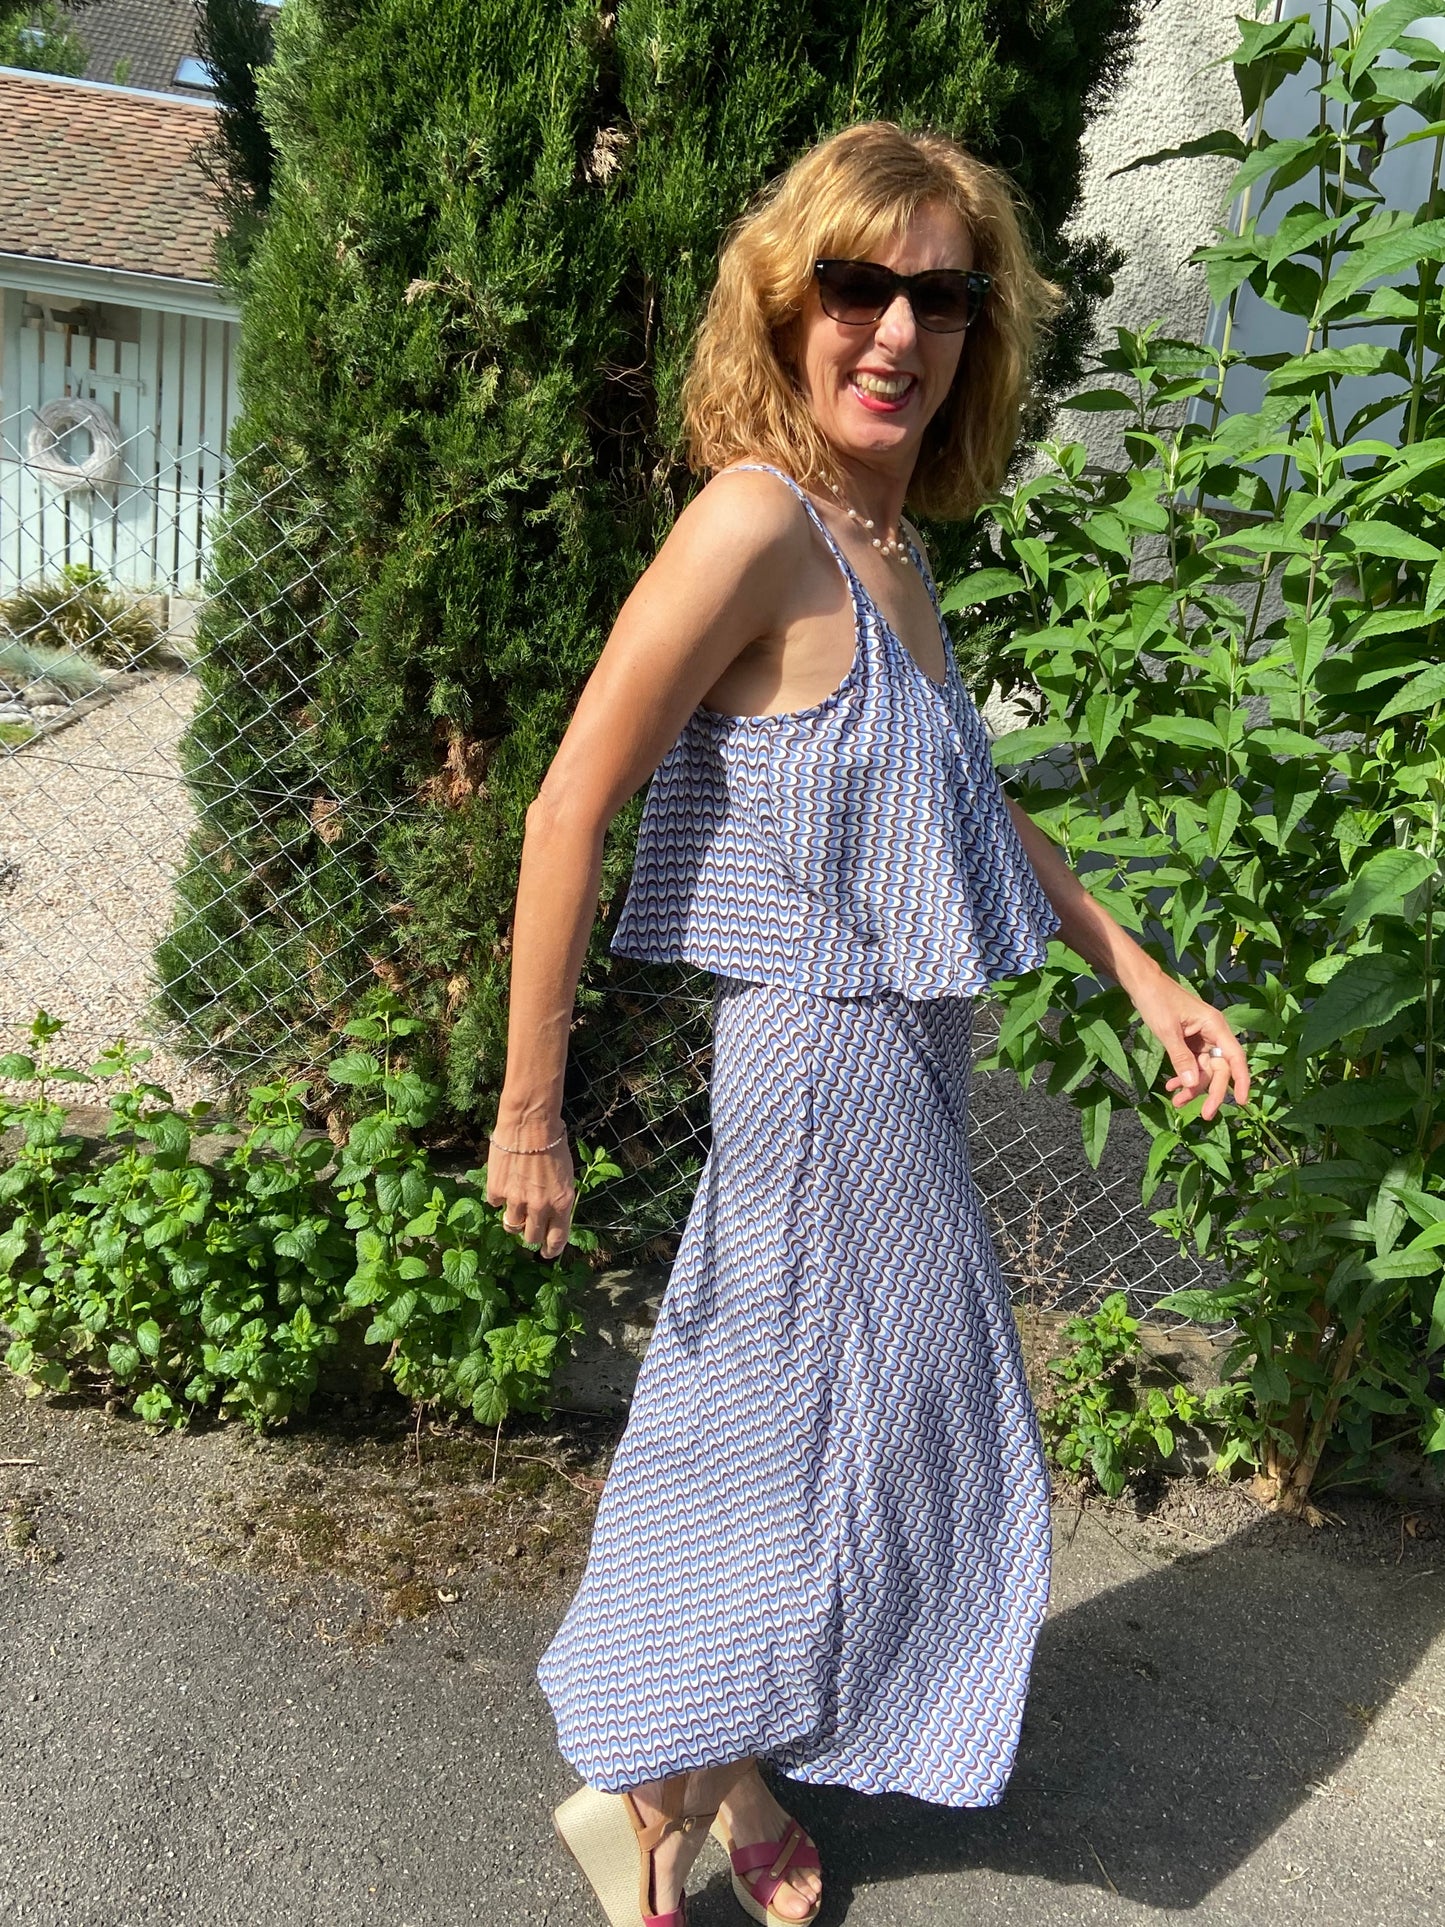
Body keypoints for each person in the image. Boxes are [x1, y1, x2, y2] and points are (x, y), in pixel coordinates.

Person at [485, 121, 1250, 1927]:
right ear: (786, 303)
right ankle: (651, 1789)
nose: (898, 331)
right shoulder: (756, 521)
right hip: (818, 1062)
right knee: (874, 1437)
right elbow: (568, 804)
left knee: (785, 1429)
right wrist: (529, 1107)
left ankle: (724, 1760)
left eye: (942, 297)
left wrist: (1140, 972)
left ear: (980, 331)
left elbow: (969, 805)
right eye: (857, 287)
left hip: (901, 1062)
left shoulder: (884, 550)